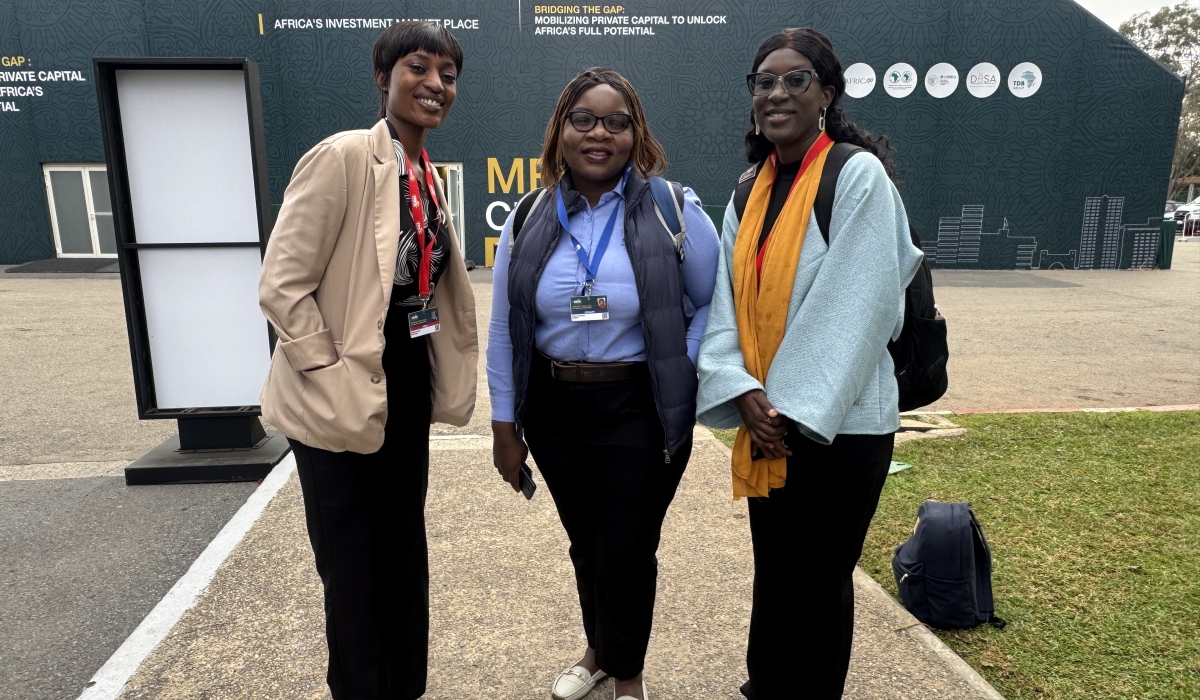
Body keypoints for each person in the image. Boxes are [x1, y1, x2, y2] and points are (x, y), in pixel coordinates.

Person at [695, 28, 924, 699]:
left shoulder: (857, 176)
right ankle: (768, 686)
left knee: (820, 581)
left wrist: (783, 409)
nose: (775, 92)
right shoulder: (749, 190)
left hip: (841, 425)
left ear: (826, 93)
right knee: (777, 571)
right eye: (763, 81)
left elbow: (859, 306)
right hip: (768, 416)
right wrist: (742, 392)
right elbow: (723, 308)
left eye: (795, 79)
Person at [257, 22, 477, 700]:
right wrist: (323, 372)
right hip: (336, 393)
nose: (436, 84)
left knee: (403, 557)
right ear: (384, 77)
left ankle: (404, 688)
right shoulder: (345, 156)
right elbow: (282, 283)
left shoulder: (427, 174)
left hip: (403, 385)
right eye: (419, 67)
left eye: (448, 74)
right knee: (352, 573)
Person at [487, 67, 720, 700]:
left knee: (627, 547)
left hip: (638, 407)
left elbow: (712, 304)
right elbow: (507, 328)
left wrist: (679, 361)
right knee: (586, 544)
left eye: (616, 121)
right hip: (555, 409)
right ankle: (598, 650)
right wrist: (505, 426)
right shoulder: (528, 216)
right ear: (559, 131)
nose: (599, 133)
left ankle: (628, 677)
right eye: (583, 118)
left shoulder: (674, 208)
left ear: (635, 134)